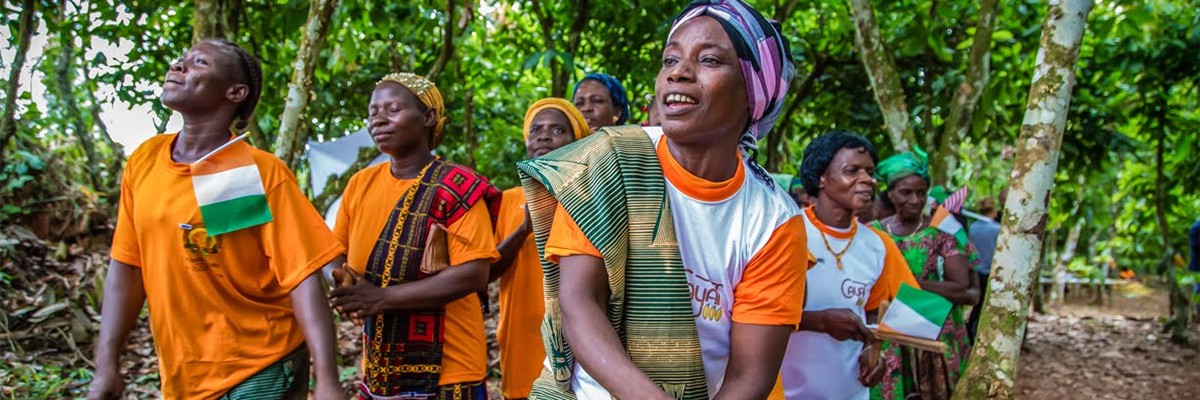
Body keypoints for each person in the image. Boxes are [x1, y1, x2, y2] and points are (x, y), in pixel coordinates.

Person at [519, 1, 805, 398]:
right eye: (670, 58)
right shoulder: (607, 162)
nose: (678, 72)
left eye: (708, 59)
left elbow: (749, 376)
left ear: (753, 93)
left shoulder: (773, 220)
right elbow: (579, 305)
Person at [88, 39, 343, 400]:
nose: (179, 66)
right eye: (181, 60)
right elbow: (128, 267)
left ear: (235, 92)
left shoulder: (256, 171)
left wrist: (328, 381)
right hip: (185, 374)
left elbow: (300, 276)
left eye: (199, 63)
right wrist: (106, 364)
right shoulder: (144, 162)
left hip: (261, 364)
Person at [329, 72, 501, 399]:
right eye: (373, 112)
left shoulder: (457, 186)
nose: (378, 119)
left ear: (428, 117)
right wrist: (346, 287)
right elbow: (334, 253)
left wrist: (381, 298)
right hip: (379, 364)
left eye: (392, 109)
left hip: (450, 370)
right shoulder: (360, 183)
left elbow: (474, 273)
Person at [780, 130, 918, 400]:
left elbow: (896, 316)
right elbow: (748, 311)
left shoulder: (879, 245)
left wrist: (873, 352)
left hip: (850, 392)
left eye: (870, 172)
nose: (867, 180)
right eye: (852, 170)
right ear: (822, 177)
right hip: (783, 391)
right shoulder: (785, 230)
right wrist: (819, 322)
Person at [490, 98, 590, 400]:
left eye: (558, 130)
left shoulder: (591, 197)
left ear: (576, 142)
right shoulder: (506, 201)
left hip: (581, 342)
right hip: (521, 339)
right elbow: (486, 271)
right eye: (536, 131)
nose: (544, 136)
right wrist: (525, 229)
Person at [871, 150, 977, 400]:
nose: (915, 200)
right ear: (891, 193)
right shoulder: (874, 233)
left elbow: (961, 286)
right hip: (889, 328)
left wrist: (909, 285)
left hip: (933, 326)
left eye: (921, 192)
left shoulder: (941, 232)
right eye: (905, 192)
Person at [966, 196, 1001, 340]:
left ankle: (970, 330)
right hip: (991, 273)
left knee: (977, 305)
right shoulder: (997, 229)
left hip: (975, 272)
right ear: (993, 211)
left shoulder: (973, 228)